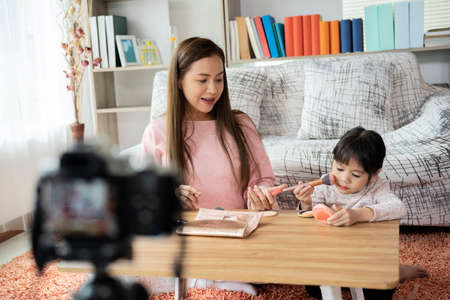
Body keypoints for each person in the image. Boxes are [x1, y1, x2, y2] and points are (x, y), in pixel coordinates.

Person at [139, 37, 282, 295]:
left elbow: (266, 180)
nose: (213, 89)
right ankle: (208, 279)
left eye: (219, 79)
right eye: (202, 80)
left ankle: (202, 279)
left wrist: (260, 197)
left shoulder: (241, 125)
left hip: (238, 236)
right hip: (187, 239)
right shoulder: (157, 131)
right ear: (179, 81)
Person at [293, 126, 427, 300]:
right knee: (313, 289)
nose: (344, 179)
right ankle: (347, 280)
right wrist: (306, 201)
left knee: (381, 291)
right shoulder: (325, 185)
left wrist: (358, 214)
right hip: (333, 256)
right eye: (339, 169)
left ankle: (397, 270)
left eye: (355, 174)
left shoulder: (376, 187)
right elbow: (311, 216)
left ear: (373, 175)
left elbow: (398, 207)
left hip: (367, 258)